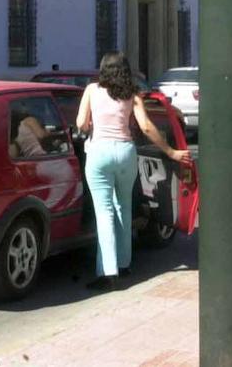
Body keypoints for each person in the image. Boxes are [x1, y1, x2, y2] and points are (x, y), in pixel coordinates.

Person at [75, 52, 190, 292]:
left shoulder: (92, 91)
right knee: (123, 207)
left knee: (104, 212)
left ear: (103, 69)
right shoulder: (132, 96)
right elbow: (146, 126)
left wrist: (90, 124)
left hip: (99, 153)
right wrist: (171, 152)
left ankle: (108, 272)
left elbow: (80, 123)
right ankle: (125, 263)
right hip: (126, 153)